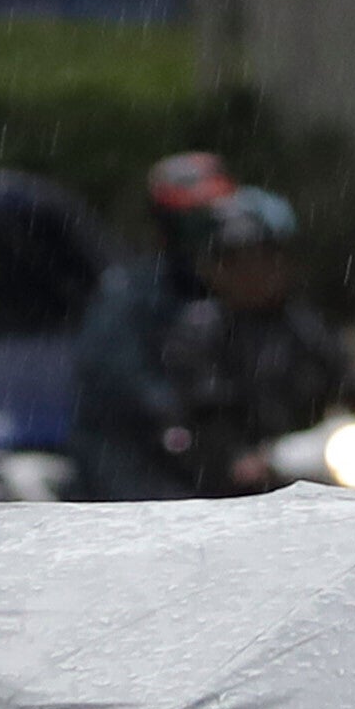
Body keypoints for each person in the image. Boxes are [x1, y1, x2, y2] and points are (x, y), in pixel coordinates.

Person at [65, 148, 241, 499]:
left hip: (217, 462)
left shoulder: (238, 291)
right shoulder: (133, 294)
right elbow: (114, 372)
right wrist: (178, 413)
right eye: (195, 221)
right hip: (138, 466)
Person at [153, 188, 346, 496]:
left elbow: (347, 382)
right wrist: (237, 456)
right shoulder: (201, 328)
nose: (255, 272)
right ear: (215, 270)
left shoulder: (306, 327)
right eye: (238, 262)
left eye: (264, 258)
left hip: (307, 470)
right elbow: (204, 405)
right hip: (225, 482)